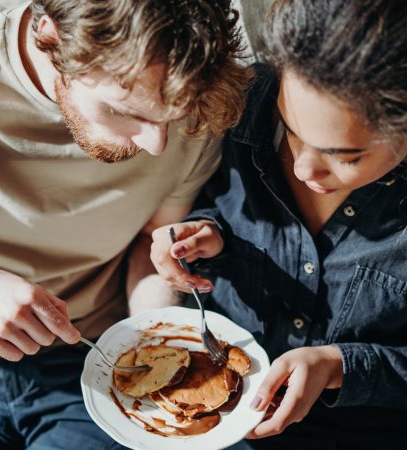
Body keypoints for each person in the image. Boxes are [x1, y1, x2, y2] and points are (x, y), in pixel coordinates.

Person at [0, 0, 252, 448]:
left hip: (92, 355)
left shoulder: (195, 96)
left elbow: (146, 249)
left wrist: (155, 336)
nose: (156, 144)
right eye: (126, 111)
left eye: (169, 117)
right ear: (50, 36)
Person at [151, 1, 407, 449]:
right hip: (206, 409)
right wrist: (206, 231)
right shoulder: (249, 101)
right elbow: (218, 203)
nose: (305, 167)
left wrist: (339, 365)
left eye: (344, 156)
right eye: (289, 129)